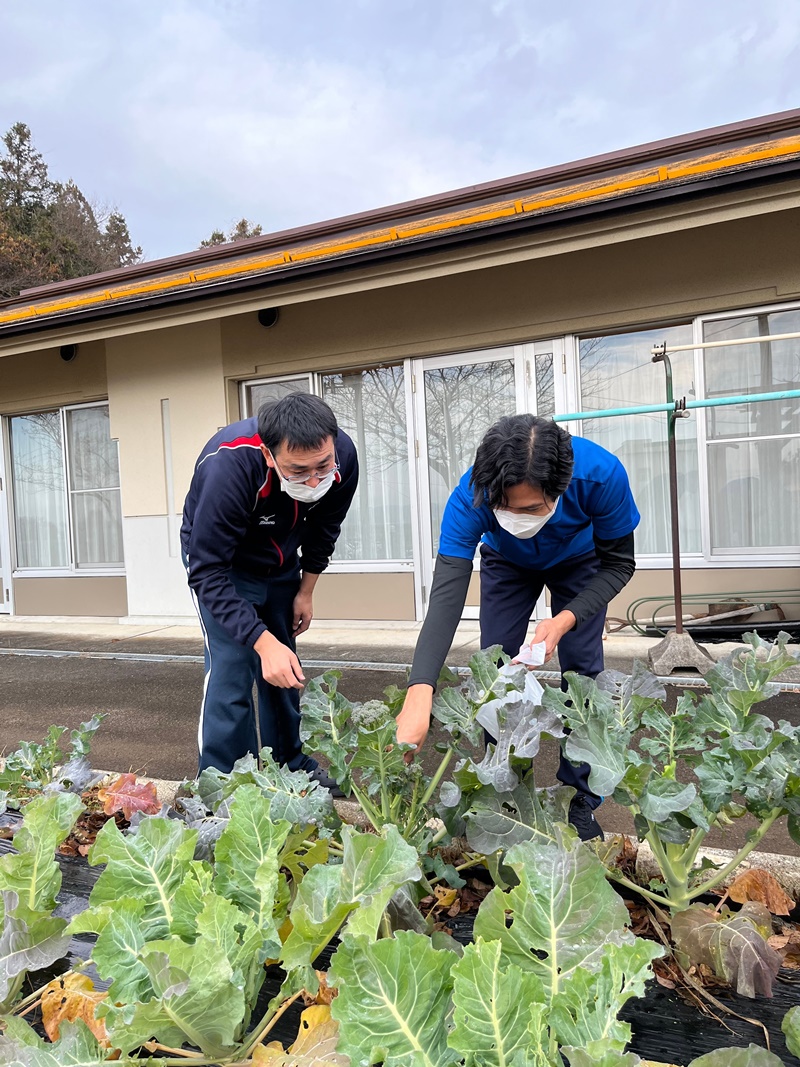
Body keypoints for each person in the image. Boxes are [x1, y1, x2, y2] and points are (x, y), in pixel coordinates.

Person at [395, 414, 639, 840]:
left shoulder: (601, 476)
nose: (514, 515)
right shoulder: (470, 496)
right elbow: (446, 601)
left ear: (560, 489)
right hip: (506, 563)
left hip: (582, 563)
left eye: (528, 509)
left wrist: (565, 618)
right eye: (502, 506)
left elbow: (619, 565)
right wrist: (419, 690)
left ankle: (579, 797)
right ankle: (501, 784)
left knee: (582, 674)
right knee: (498, 670)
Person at [180, 393, 358, 781]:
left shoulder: (342, 454)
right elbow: (206, 570)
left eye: (322, 466)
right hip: (222, 565)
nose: (314, 480)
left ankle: (290, 767)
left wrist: (305, 591)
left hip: (281, 558)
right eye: (298, 471)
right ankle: (225, 781)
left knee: (284, 667)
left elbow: (325, 529)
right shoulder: (228, 466)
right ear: (268, 455)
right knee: (233, 666)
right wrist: (260, 641)